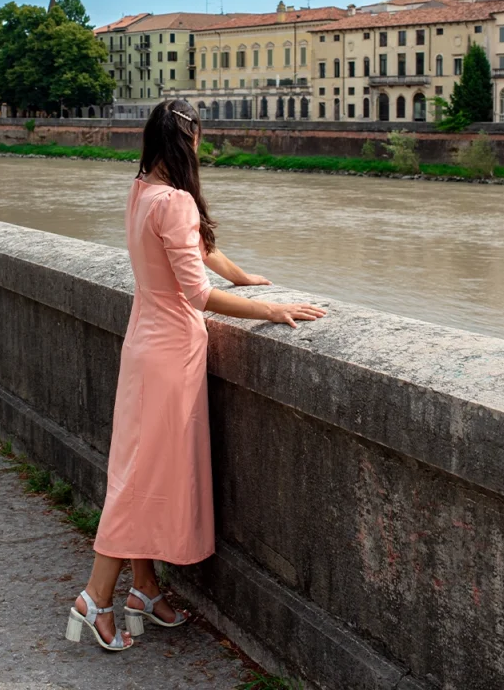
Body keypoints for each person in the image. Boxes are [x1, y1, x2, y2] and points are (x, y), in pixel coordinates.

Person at [65, 100, 327, 651]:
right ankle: (94, 597)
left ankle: (143, 589)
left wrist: (248, 277)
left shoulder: (142, 190)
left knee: (141, 468)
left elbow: (202, 253)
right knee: (141, 480)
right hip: (171, 355)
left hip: (143, 346)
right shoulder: (177, 201)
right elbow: (198, 293)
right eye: (200, 138)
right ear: (190, 142)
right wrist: (272, 310)